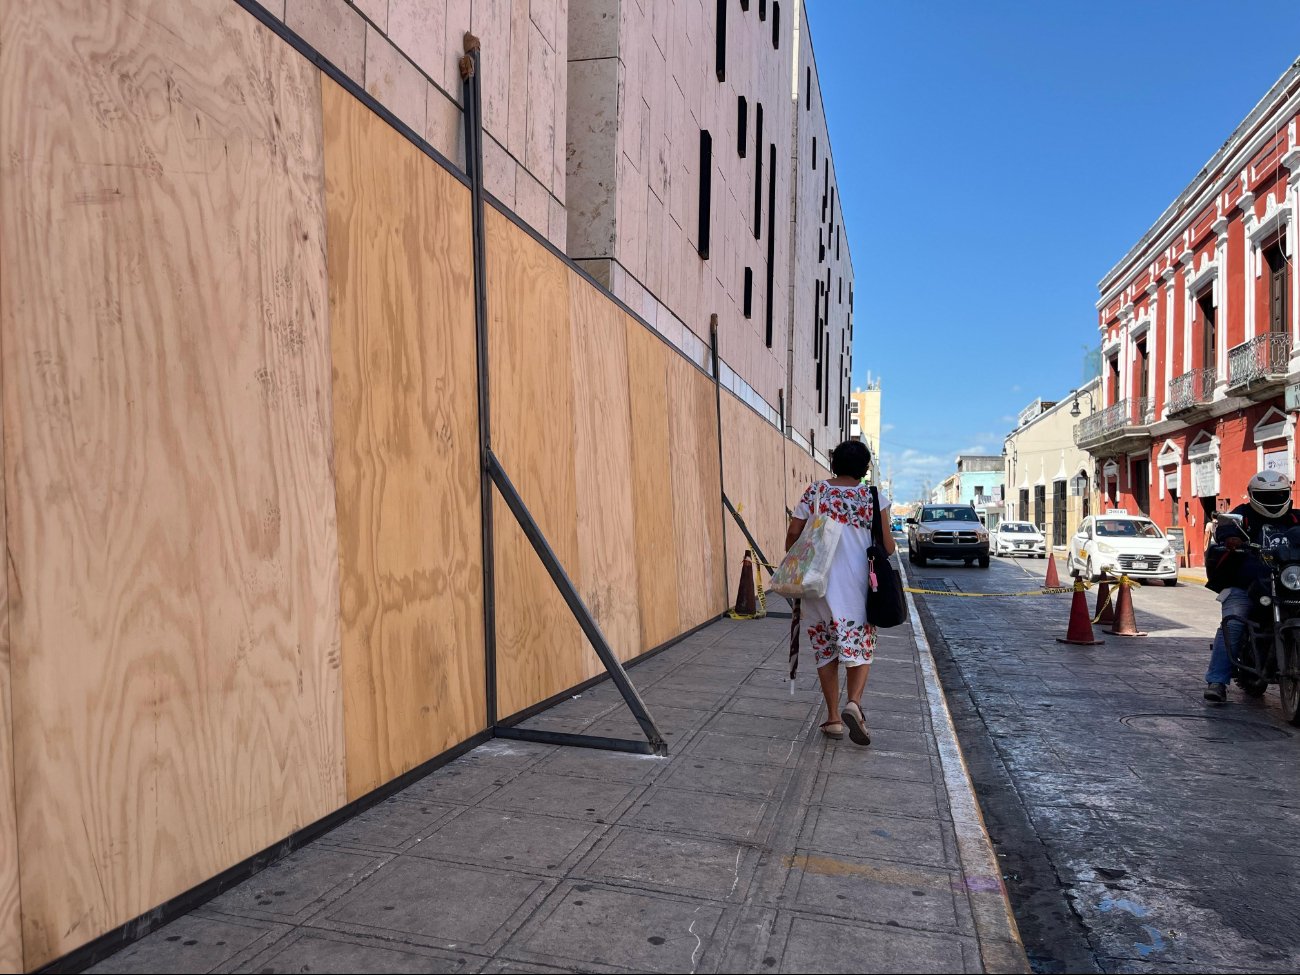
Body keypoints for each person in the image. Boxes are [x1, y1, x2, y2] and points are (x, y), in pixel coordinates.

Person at [784, 440, 894, 745]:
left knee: (825, 648)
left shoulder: (815, 492)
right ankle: (854, 704)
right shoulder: (874, 497)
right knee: (861, 646)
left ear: (833, 464)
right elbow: (888, 546)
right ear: (864, 469)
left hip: (818, 584)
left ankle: (833, 719)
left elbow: (793, 535)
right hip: (859, 585)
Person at [1203, 470, 1300, 702]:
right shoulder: (1243, 514)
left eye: (1279, 495)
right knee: (1234, 621)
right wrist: (1230, 538)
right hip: (1247, 585)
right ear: (1252, 496)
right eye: (1267, 495)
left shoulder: (1296, 518)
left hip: (1288, 584)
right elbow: (1225, 527)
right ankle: (1217, 680)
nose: (1274, 500)